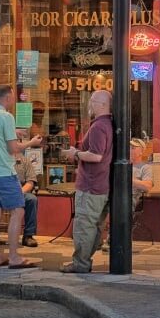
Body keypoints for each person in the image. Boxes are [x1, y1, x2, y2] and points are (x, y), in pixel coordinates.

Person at [0, 85, 42, 268]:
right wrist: (31, 142)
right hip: (4, 172)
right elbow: (14, 149)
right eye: (12, 97)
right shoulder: (6, 117)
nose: (14, 100)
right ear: (7, 97)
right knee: (18, 210)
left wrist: (15, 133)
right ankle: (14, 257)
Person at [60, 90, 113, 273]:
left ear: (102, 105)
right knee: (94, 225)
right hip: (101, 184)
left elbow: (96, 156)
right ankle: (84, 261)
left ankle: (80, 264)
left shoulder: (99, 127)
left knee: (84, 225)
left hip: (91, 186)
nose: (89, 104)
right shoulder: (108, 124)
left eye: (93, 101)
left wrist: (74, 153)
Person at [0, 154, 39, 247]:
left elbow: (30, 182)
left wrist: (18, 193)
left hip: (20, 192)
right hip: (0, 192)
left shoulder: (25, 161)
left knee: (31, 199)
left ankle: (28, 236)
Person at [131, 138, 154, 208]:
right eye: (128, 147)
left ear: (141, 151)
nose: (129, 150)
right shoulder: (123, 166)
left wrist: (128, 180)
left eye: (133, 148)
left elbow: (147, 186)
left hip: (132, 198)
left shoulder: (145, 167)